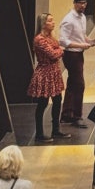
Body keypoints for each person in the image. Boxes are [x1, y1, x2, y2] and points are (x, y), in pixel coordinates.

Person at [27, 13, 68, 143]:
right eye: (50, 21)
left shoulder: (50, 37)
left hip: (53, 73)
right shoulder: (39, 39)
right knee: (42, 104)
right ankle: (39, 133)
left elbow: (55, 51)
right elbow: (53, 54)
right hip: (45, 74)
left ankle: (56, 130)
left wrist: (59, 50)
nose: (53, 22)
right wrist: (61, 50)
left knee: (57, 101)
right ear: (44, 24)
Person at [58, 0, 95, 128]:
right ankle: (77, 116)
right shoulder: (68, 20)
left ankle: (67, 114)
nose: (83, 6)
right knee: (79, 85)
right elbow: (63, 41)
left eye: (85, 3)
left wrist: (88, 41)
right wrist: (82, 45)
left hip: (79, 53)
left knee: (72, 84)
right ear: (74, 3)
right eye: (80, 3)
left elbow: (80, 35)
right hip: (71, 55)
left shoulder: (82, 17)